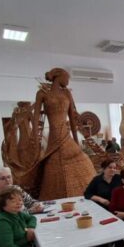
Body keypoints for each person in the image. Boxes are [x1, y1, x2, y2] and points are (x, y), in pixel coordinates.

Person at [31, 68, 95, 200]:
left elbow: (72, 119)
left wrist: (76, 142)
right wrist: (35, 141)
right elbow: (36, 119)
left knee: (79, 161)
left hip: (66, 135)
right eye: (67, 78)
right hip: (54, 136)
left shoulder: (67, 93)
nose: (68, 81)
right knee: (52, 165)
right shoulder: (42, 93)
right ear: (58, 77)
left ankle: (84, 193)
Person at [0, 166, 42, 247]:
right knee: (38, 239)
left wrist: (37, 205)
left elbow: (31, 202)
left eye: (9, 177)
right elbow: (12, 217)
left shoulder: (14, 189)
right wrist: (31, 211)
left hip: (13, 234)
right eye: (3, 178)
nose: (8, 180)